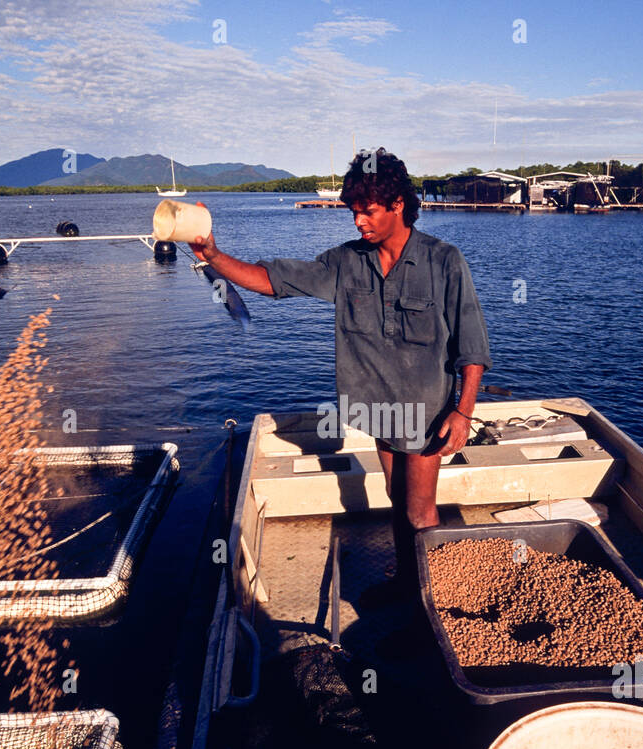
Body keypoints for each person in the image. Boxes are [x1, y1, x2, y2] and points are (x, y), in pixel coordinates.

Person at [190, 147, 492, 604]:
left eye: (367, 211)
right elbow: (275, 281)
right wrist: (212, 254)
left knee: (419, 509)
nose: (358, 222)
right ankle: (407, 580)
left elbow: (472, 346)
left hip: (429, 410)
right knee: (394, 493)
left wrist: (463, 412)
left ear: (396, 205)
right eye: (353, 212)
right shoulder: (347, 262)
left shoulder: (444, 261)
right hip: (381, 407)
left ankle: (427, 608)